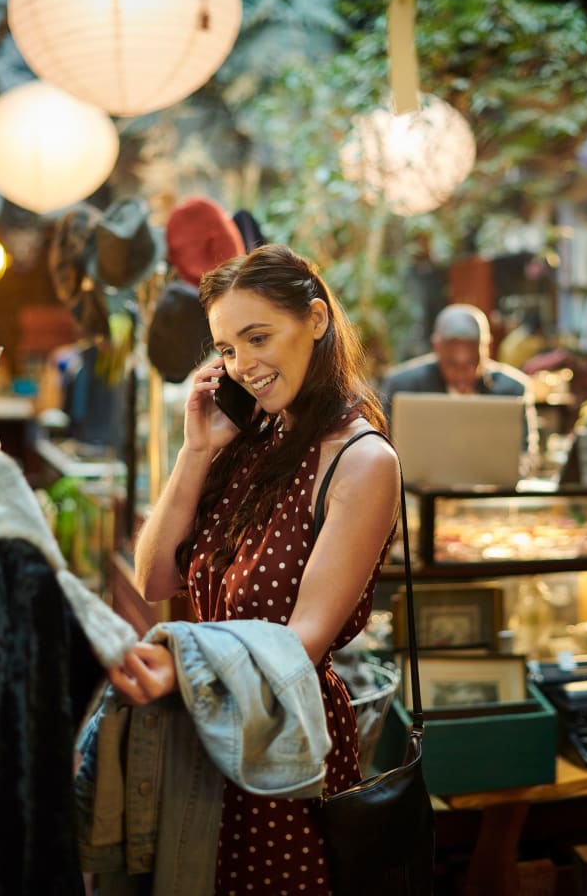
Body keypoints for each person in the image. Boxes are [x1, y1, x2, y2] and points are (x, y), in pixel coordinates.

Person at [105, 243, 401, 894]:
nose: (244, 365)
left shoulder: (361, 461)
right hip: (209, 737)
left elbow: (304, 641)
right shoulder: (250, 443)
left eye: (258, 337)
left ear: (316, 321)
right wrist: (195, 450)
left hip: (286, 751)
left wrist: (179, 662)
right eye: (228, 349)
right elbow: (155, 580)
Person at [379, 302, 538, 450]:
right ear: (436, 348)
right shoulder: (403, 386)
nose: (462, 374)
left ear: (486, 349)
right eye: (452, 364)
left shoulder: (513, 389)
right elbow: (384, 451)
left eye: (471, 363)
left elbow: (525, 457)